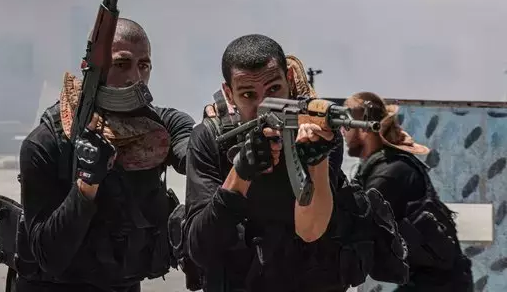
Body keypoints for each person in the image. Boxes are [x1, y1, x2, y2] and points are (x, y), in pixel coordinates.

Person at [181, 34, 409, 292]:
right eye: (248, 94)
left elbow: (311, 230)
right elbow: (200, 248)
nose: (263, 105)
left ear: (289, 79)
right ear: (228, 94)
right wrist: (242, 173)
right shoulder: (210, 138)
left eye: (274, 89)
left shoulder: (316, 129)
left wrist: (316, 161)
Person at [16, 18, 196, 292]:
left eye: (144, 65)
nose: (135, 77)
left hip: (122, 284)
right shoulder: (47, 143)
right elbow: (48, 255)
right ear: (91, 67)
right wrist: (86, 185)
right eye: (121, 64)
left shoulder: (157, 127)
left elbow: (190, 153)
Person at [343, 91, 473, 291]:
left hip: (438, 285)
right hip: (427, 281)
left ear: (363, 128)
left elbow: (356, 226)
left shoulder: (390, 173)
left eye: (346, 125)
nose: (343, 132)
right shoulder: (380, 168)